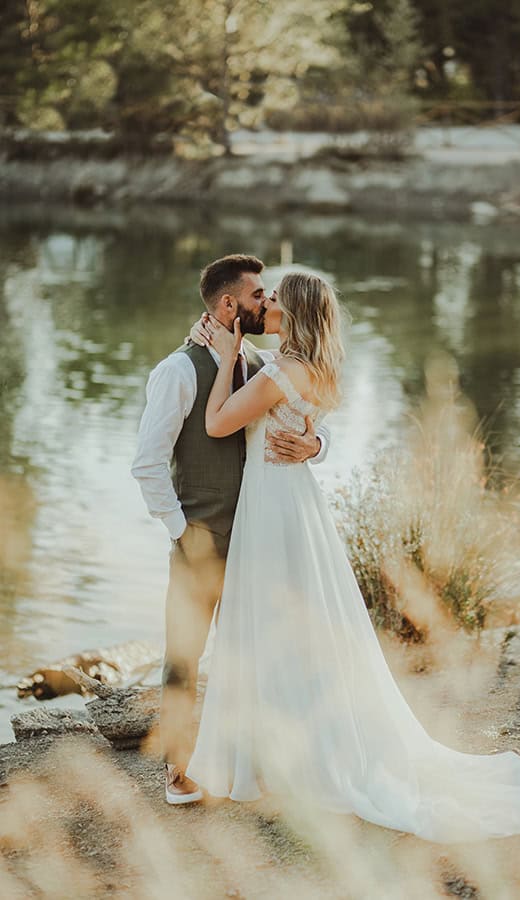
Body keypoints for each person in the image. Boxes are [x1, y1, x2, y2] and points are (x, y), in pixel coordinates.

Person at [184, 270, 520, 842]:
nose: (268, 302)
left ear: (294, 311)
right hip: (297, 503)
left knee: (269, 622)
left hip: (274, 506)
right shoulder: (320, 369)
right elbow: (313, 424)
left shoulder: (282, 369)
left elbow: (217, 421)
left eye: (275, 297)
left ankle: (277, 755)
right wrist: (316, 444)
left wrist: (226, 356)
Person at [131, 255, 331, 805]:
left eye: (269, 296)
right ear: (228, 306)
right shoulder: (176, 371)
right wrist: (182, 531)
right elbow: (147, 465)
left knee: (262, 646)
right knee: (186, 652)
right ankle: (178, 770)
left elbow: (311, 409)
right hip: (205, 538)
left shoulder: (263, 362)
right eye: (259, 296)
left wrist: (316, 446)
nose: (268, 304)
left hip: (263, 534)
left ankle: (257, 760)